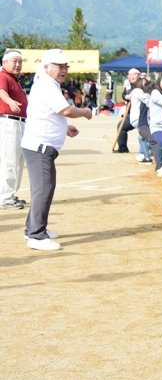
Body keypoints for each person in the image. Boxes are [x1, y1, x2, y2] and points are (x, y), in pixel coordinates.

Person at [21, 49, 93, 251]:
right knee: (44, 188)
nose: (64, 70)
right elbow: (67, 110)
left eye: (65, 66)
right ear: (46, 67)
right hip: (40, 146)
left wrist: (64, 128)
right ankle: (36, 235)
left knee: (43, 188)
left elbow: (50, 113)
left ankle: (32, 228)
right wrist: (85, 112)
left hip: (41, 145)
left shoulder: (48, 84)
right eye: (59, 66)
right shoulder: (46, 85)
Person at [1, 50, 28, 210]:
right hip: (8, 122)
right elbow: (1, 91)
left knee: (18, 160)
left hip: (19, 122)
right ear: (4, 63)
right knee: (9, 160)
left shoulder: (14, 79)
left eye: (20, 61)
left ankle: (10, 193)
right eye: (14, 61)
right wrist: (9, 101)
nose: (18, 64)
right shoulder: (3, 76)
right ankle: (5, 197)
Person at [114, 68, 140, 153]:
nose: (132, 77)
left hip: (141, 115)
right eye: (130, 75)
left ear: (138, 75)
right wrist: (126, 96)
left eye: (134, 74)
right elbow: (124, 94)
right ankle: (122, 147)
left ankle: (148, 151)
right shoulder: (128, 85)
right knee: (121, 126)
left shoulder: (141, 84)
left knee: (144, 132)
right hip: (131, 114)